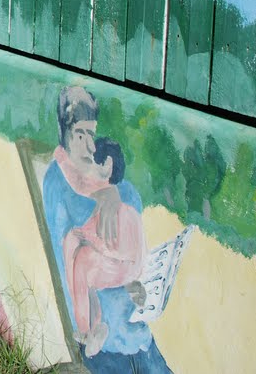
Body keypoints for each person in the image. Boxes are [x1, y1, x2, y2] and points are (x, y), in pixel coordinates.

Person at [41, 87, 170, 372]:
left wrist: (139, 289)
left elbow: (137, 263)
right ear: (65, 135)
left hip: (138, 336)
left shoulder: (125, 191)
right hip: (104, 349)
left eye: (92, 133)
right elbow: (65, 271)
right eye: (80, 135)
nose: (90, 146)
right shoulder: (57, 185)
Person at [63, 137, 146, 357]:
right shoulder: (104, 193)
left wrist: (60, 157)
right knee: (74, 246)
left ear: (113, 165)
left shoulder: (118, 195)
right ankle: (92, 326)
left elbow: (119, 248)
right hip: (111, 260)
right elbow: (92, 231)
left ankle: (86, 330)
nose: (100, 167)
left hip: (124, 263)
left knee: (83, 259)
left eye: (105, 162)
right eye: (98, 162)